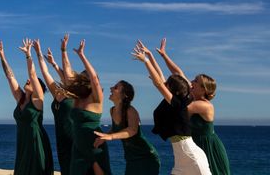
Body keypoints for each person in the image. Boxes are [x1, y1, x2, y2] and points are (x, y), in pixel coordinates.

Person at [133, 41, 211, 175]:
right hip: (182, 158)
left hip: (191, 157)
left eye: (167, 84)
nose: (164, 84)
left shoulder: (178, 104)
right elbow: (163, 78)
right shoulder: (179, 99)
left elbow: (158, 83)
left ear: (171, 89)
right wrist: (150, 55)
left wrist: (146, 61)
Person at [155, 38, 230, 175]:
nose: (191, 81)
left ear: (203, 90)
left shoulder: (204, 106)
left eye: (196, 81)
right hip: (193, 144)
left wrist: (164, 85)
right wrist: (164, 55)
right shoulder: (191, 98)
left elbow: (178, 108)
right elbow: (178, 73)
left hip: (209, 147)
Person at [0, 40, 54, 175]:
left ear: (38, 88)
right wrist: (2, 57)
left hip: (36, 141)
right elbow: (9, 76)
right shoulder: (21, 98)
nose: (27, 80)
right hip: (23, 142)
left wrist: (28, 55)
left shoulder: (38, 100)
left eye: (31, 82)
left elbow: (32, 74)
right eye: (28, 80)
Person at [63, 39, 112, 175]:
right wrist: (63, 51)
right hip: (79, 144)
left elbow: (95, 79)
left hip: (93, 142)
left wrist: (81, 55)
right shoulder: (77, 97)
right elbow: (68, 76)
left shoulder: (97, 98)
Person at [93, 80, 160, 174]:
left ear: (124, 95)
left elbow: (132, 130)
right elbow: (115, 129)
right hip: (131, 159)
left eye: (115, 87)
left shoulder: (130, 110)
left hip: (146, 157)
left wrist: (111, 137)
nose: (111, 88)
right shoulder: (112, 110)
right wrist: (104, 137)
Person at [35, 35, 74, 175]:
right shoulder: (57, 93)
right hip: (61, 139)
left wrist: (63, 50)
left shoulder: (75, 95)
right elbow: (44, 72)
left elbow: (68, 73)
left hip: (74, 139)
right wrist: (38, 53)